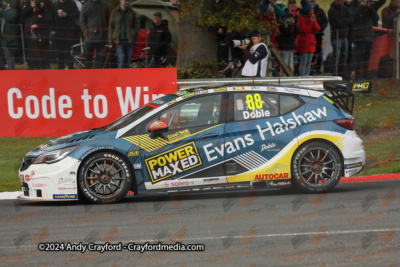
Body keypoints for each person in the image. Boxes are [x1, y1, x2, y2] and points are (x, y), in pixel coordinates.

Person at [351, 0, 379, 79]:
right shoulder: (353, 7)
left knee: (366, 57)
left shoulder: (368, 9)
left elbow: (376, 18)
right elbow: (354, 17)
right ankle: (358, 74)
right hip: (359, 37)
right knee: (359, 57)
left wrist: (370, 8)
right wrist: (360, 6)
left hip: (368, 36)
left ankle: (366, 73)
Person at [79, 0, 110, 68]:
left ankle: (98, 76)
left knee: (101, 59)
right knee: (88, 59)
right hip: (90, 39)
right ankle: (88, 76)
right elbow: (81, 21)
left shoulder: (105, 5)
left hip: (102, 38)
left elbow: (109, 20)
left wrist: (107, 31)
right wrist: (86, 32)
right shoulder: (85, 6)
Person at [109, 0, 139, 68]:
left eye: (128, 1)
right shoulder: (114, 12)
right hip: (118, 41)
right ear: (121, 1)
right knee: (121, 59)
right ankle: (120, 77)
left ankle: (127, 77)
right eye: (125, 1)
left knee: (128, 61)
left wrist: (134, 35)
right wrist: (110, 40)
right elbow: (111, 27)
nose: (127, 2)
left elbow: (137, 25)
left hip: (130, 41)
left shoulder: (132, 12)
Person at [22, 0, 51, 69]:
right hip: (29, 36)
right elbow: (22, 15)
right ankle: (32, 72)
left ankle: (42, 73)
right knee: (31, 57)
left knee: (41, 56)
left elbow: (48, 23)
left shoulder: (44, 8)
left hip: (40, 37)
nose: (34, 2)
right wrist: (30, 7)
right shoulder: (28, 7)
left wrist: (38, 25)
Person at [328, 0, 352, 78]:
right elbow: (336, 23)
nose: (343, 1)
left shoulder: (345, 9)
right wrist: (344, 22)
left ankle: (342, 73)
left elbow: (351, 19)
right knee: (336, 56)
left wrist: (343, 22)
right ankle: (334, 75)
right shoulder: (331, 10)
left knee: (344, 56)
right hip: (336, 37)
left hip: (344, 36)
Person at [52, 0, 79, 69]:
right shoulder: (55, 4)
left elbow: (77, 15)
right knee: (59, 52)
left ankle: (70, 68)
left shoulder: (72, 3)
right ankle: (61, 68)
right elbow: (52, 17)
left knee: (68, 51)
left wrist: (67, 15)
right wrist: (52, 30)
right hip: (57, 32)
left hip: (68, 31)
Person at [295, 2, 319, 76]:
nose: (313, 10)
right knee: (303, 62)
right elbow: (304, 30)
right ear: (308, 10)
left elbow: (317, 29)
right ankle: (302, 77)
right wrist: (310, 22)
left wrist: (313, 21)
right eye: (312, 9)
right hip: (304, 44)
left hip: (311, 44)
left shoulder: (311, 17)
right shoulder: (301, 18)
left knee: (309, 62)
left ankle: (307, 76)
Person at [310, 0, 327, 74]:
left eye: (313, 1)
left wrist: (320, 29)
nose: (313, 2)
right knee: (311, 52)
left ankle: (318, 68)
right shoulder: (308, 11)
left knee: (319, 52)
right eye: (311, 1)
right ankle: (311, 68)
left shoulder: (320, 11)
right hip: (310, 34)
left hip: (319, 35)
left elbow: (325, 21)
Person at [0, 2, 17, 69]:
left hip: (7, 40)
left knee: (9, 59)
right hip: (1, 39)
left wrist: (1, 11)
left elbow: (10, 18)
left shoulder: (10, 11)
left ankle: (12, 76)